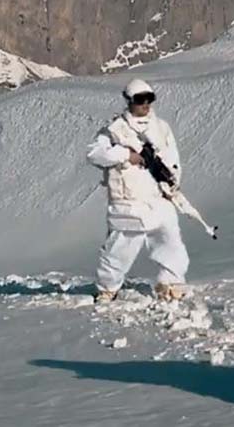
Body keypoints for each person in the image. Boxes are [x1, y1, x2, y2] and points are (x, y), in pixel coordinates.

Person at [87, 79, 189, 304]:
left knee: (170, 240)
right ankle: (107, 289)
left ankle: (171, 283)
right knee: (120, 249)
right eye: (140, 100)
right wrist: (125, 155)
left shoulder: (161, 127)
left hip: (157, 196)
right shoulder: (114, 131)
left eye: (149, 99)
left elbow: (173, 158)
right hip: (129, 201)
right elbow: (94, 154)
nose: (146, 105)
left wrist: (173, 182)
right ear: (129, 101)